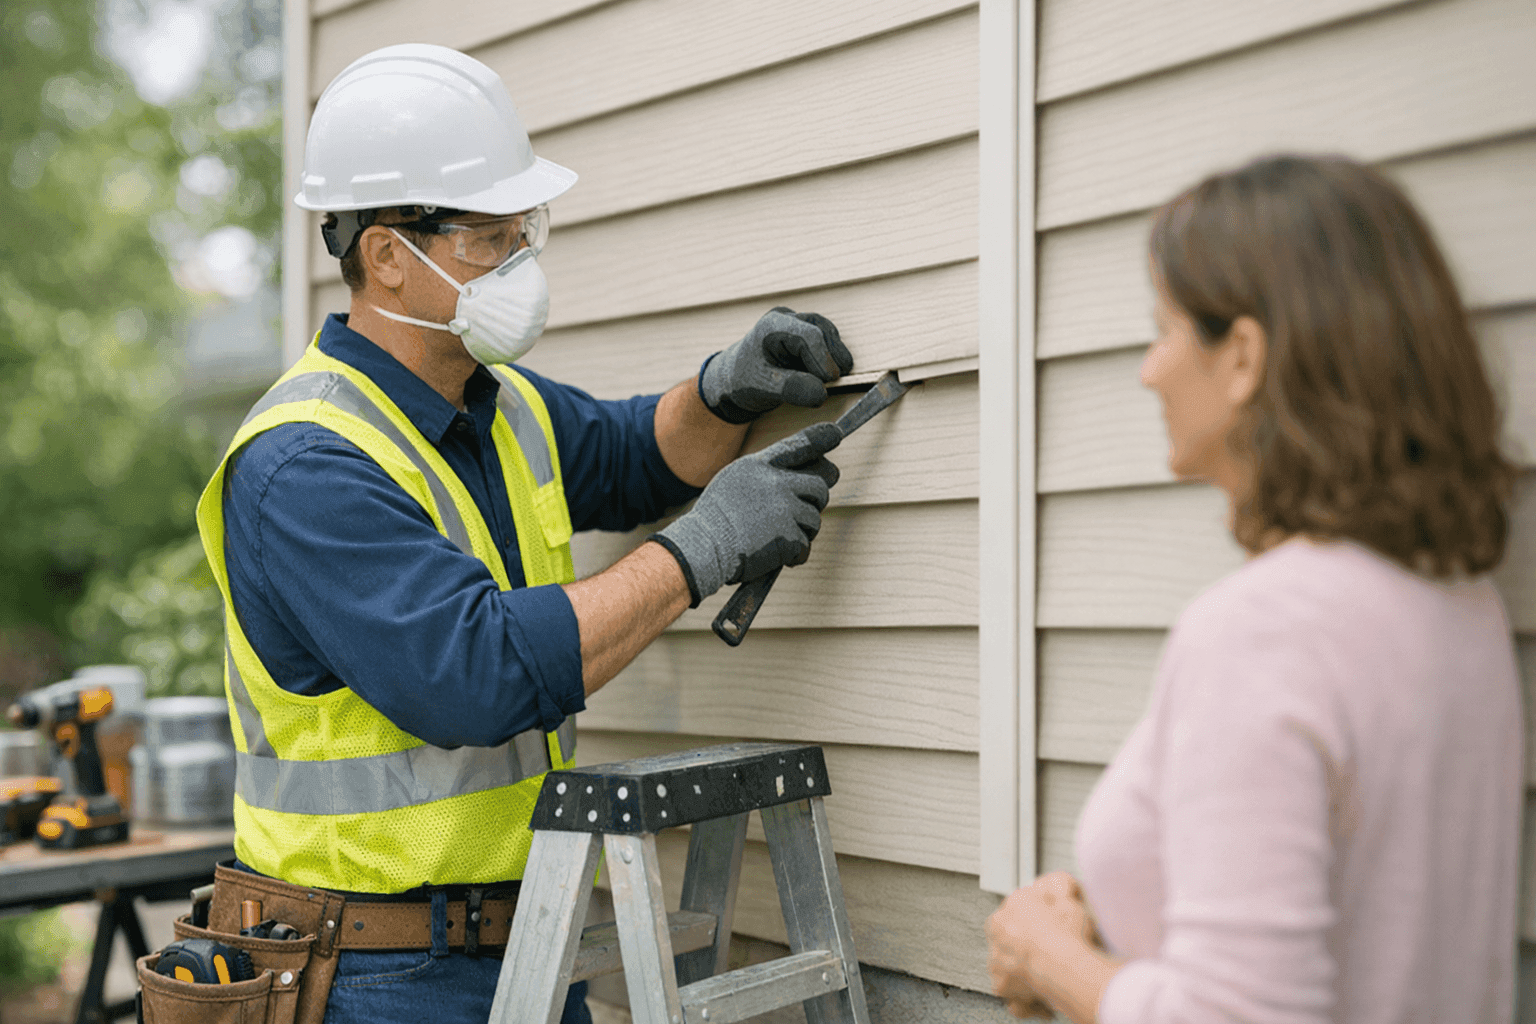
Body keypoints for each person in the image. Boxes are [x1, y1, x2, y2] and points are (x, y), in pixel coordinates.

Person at [193, 44, 853, 1023]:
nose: (520, 260)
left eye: (524, 228)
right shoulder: (305, 464)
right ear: (386, 255)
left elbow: (639, 454)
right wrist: (705, 547)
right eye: (491, 236)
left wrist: (727, 387)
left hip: (522, 942)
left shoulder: (499, 408)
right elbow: (474, 674)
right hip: (369, 973)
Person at [985, 154, 1523, 1023]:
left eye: (1162, 330)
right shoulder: (1460, 603)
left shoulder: (1262, 631)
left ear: (1241, 358)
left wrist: (1049, 961)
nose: (1148, 370)